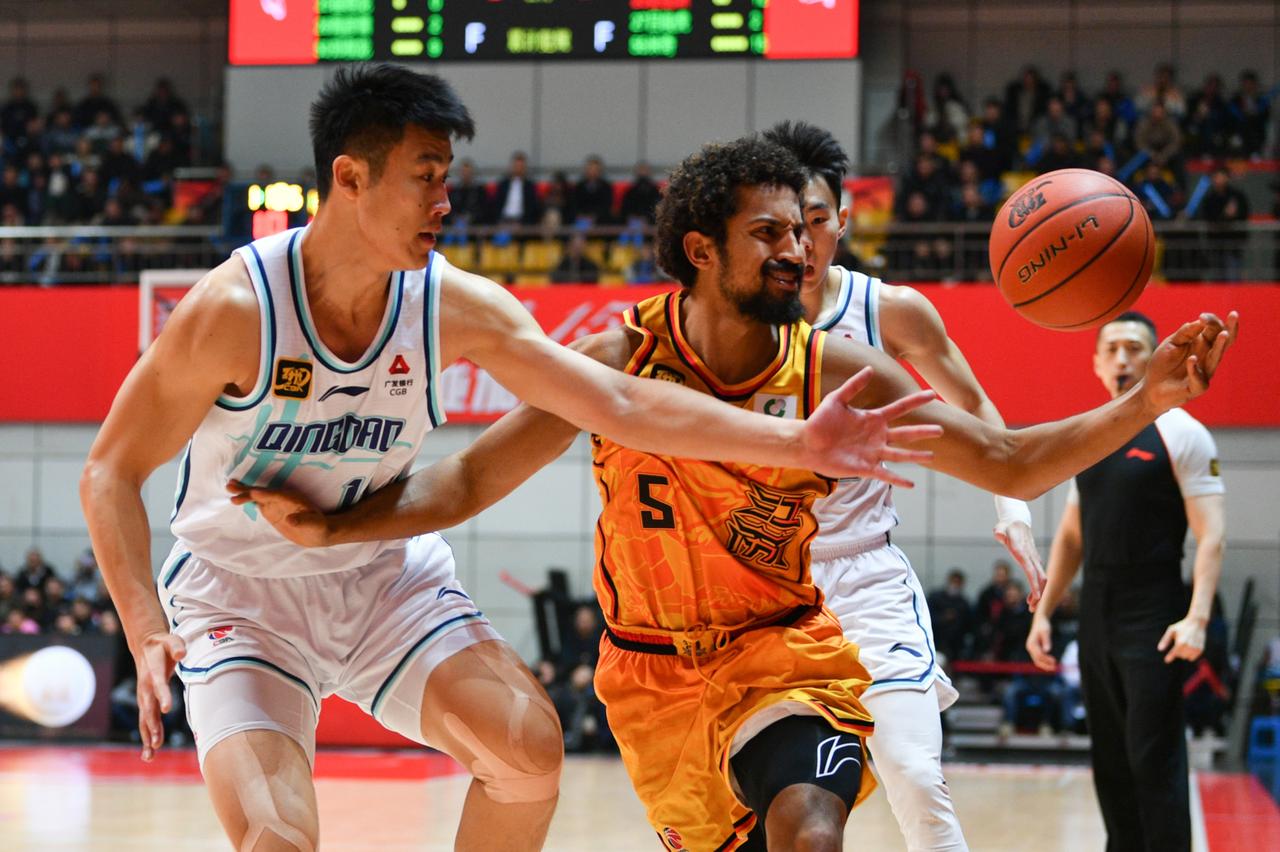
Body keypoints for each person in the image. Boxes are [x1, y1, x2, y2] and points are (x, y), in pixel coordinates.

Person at [236, 134, 1233, 851]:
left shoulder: (838, 369)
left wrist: (1144, 398)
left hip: (784, 650)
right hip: (653, 678)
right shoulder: (615, 360)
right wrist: (336, 526)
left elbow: (1008, 461)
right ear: (702, 250)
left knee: (812, 828)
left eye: (802, 230)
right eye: (768, 233)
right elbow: (467, 477)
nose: (797, 250)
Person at [80, 66, 942, 852]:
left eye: (447, 177)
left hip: (380, 574)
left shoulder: (453, 305)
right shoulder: (235, 310)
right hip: (242, 595)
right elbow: (110, 472)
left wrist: (798, 440)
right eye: (426, 176)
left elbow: (618, 402)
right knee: (277, 837)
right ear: (350, 178)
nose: (445, 200)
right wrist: (146, 627)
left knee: (528, 753)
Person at [767, 119, 1045, 851]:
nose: (803, 243)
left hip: (862, 575)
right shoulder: (731, 320)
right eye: (786, 225)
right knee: (769, 813)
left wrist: (1012, 508)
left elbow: (975, 405)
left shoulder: (888, 310)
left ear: (843, 220)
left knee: (915, 775)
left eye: (817, 221)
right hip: (762, 587)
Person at [1026, 311, 1227, 852]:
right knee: (1110, 757)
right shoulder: (1090, 435)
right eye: (1111, 348)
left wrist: (1197, 617)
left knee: (1153, 754)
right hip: (1098, 610)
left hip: (1154, 610)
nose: (1122, 358)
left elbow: (1212, 535)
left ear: (1157, 357)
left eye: (1135, 348)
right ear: (1096, 362)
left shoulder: (1183, 433)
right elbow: (1072, 537)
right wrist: (1044, 612)